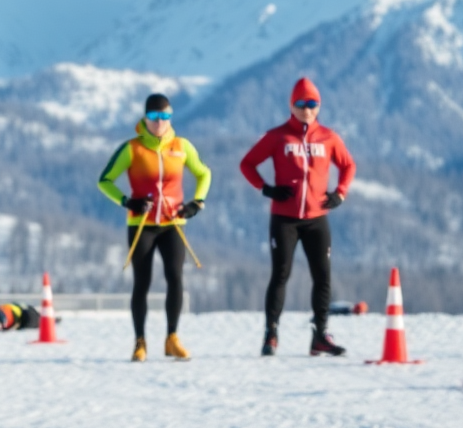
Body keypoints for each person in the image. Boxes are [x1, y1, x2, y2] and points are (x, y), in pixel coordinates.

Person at [239, 77, 355, 357]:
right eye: (301, 104)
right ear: (291, 106)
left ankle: (320, 336)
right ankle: (271, 334)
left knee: (323, 277)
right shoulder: (278, 136)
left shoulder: (328, 137)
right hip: (285, 219)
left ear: (319, 106)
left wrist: (340, 193)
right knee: (281, 274)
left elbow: (348, 165)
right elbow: (247, 164)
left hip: (317, 219)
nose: (307, 109)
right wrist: (266, 189)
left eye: (312, 104)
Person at [98, 94, 211, 362]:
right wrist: (128, 201)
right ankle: (140, 342)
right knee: (142, 283)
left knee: (176, 279)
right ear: (145, 118)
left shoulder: (182, 146)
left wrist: (197, 204)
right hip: (142, 226)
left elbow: (204, 173)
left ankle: (172, 338)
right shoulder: (132, 149)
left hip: (173, 224)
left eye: (166, 117)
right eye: (155, 117)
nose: (160, 123)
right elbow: (105, 181)